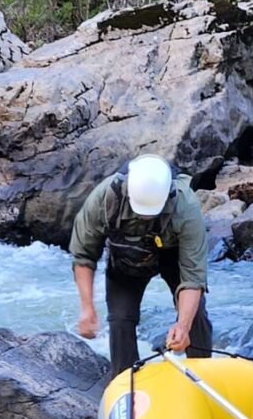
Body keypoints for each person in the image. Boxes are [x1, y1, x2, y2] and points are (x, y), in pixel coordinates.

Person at [69, 154, 213, 376]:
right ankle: (126, 383)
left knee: (195, 318)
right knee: (121, 321)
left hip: (172, 255)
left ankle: (204, 375)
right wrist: (87, 308)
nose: (145, 217)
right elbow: (83, 255)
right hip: (126, 258)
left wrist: (182, 326)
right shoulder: (104, 198)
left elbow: (193, 278)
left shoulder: (186, 207)